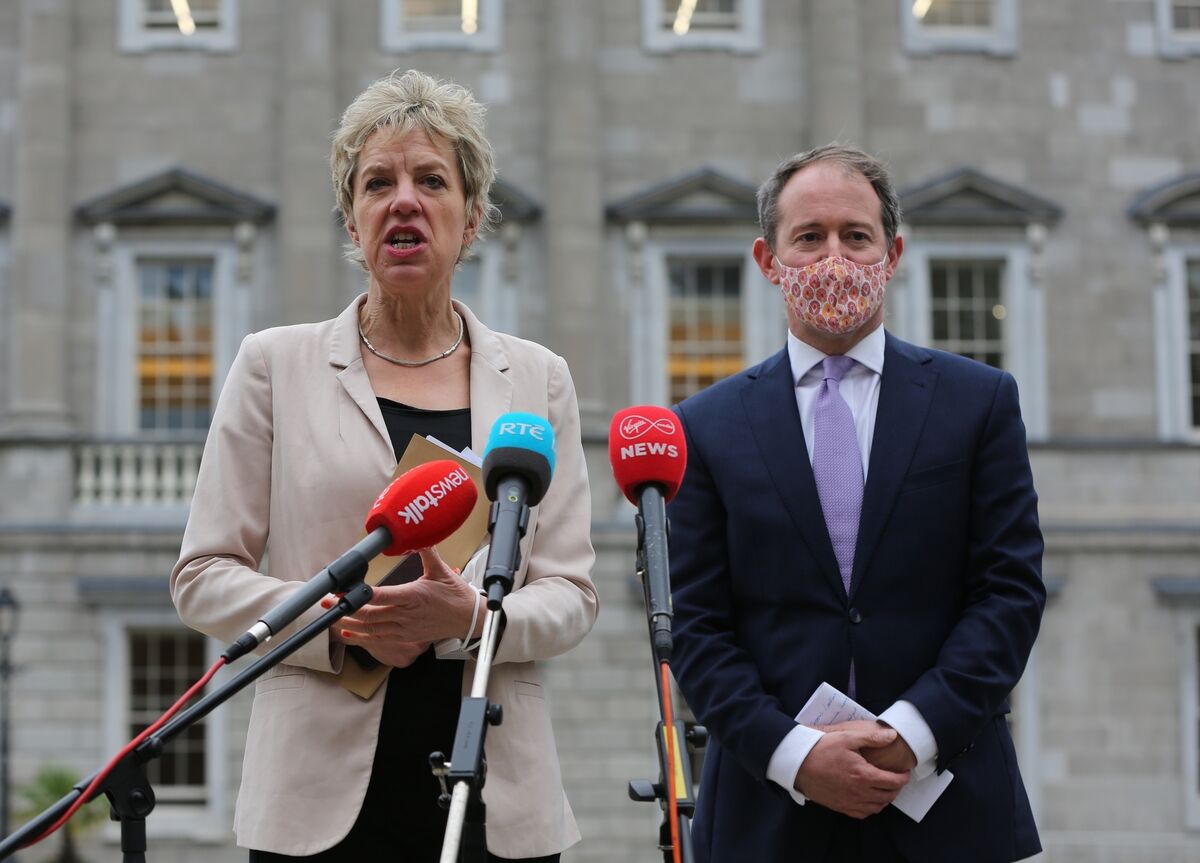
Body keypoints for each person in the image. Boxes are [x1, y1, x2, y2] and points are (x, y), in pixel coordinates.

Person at [170, 69, 597, 862]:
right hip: (316, 804)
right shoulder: (274, 365)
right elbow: (203, 574)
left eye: (431, 179)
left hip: (495, 795)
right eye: (378, 182)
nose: (404, 199)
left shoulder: (538, 379)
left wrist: (466, 619)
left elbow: (570, 594)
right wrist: (340, 620)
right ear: (352, 216)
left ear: (471, 217)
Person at [667, 144, 1045, 862]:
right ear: (768, 259)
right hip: (767, 814)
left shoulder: (979, 403)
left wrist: (911, 732)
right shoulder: (704, 427)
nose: (833, 256)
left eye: (856, 235)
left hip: (950, 809)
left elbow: (1009, 593)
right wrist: (794, 752)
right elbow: (696, 625)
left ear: (893, 252)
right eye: (808, 237)